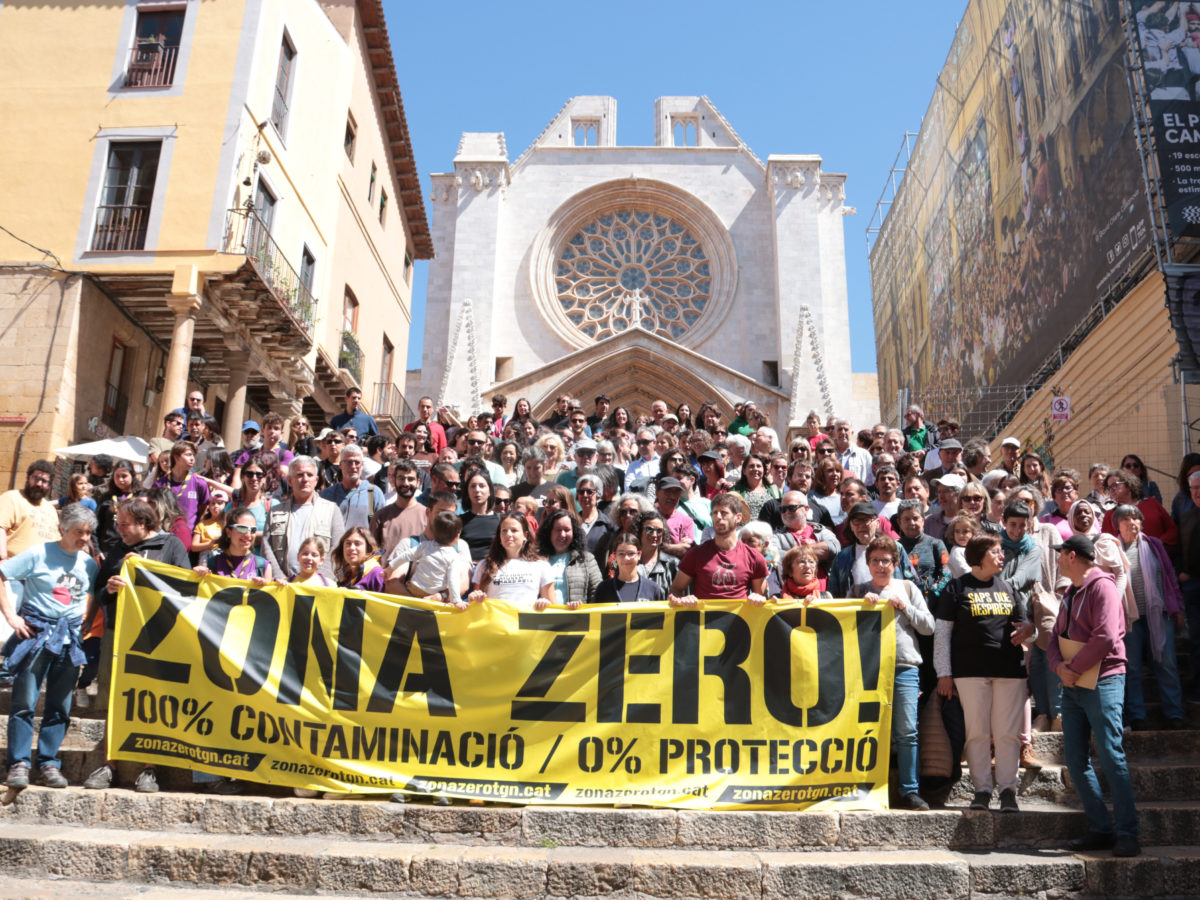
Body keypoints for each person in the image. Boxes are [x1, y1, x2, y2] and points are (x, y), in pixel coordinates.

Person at [82, 497, 190, 792]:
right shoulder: (117, 549)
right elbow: (100, 592)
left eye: (125, 525)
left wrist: (146, 572)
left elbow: (184, 588)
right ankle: (109, 765)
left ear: (144, 523)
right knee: (114, 700)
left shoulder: (170, 546)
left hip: (155, 639)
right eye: (117, 524)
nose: (119, 531)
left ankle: (149, 769)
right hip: (117, 634)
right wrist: (111, 587)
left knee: (151, 701)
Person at [1050, 535, 1140, 857]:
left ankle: (1128, 832)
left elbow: (1107, 635)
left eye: (1060, 554)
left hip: (1103, 679)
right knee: (1075, 760)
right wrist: (1060, 668)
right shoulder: (1069, 593)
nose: (1058, 559)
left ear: (1072, 556)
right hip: (1074, 683)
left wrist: (1073, 667)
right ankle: (1101, 828)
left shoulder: (1103, 587)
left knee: (1112, 756)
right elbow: (1053, 638)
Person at [935, 533, 1036, 813]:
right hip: (970, 672)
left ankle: (1007, 791)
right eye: (996, 551)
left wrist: (1030, 629)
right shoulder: (956, 588)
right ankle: (981, 790)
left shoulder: (1008, 587)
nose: (1002, 556)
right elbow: (943, 633)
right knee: (977, 733)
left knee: (1007, 734)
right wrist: (944, 672)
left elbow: (1025, 625)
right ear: (979, 556)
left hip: (1009, 671)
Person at [2, 505, 98, 789]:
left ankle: (48, 763)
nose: (84, 538)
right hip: (36, 637)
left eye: (88, 532)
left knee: (60, 707)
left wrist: (88, 622)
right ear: (63, 529)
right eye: (79, 532)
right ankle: (18, 763)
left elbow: (92, 594)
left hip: (70, 642)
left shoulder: (89, 563)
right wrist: (11, 617)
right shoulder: (38, 553)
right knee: (23, 704)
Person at [856, 535, 935, 811]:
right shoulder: (857, 591)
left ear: (895, 563)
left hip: (904, 668)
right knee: (866, 731)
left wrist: (906, 607)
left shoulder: (908, 587)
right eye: (875, 560)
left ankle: (910, 790)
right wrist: (860, 608)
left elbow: (929, 627)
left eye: (886, 561)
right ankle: (864, 787)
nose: (880, 566)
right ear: (868, 564)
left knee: (907, 732)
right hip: (867, 672)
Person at [1112, 504, 1186, 731]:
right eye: (1126, 519)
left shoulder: (1154, 545)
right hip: (1129, 618)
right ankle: (1137, 715)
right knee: (1132, 667)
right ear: (1118, 524)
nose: (1132, 522)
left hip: (1159, 613)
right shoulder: (1113, 548)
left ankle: (1174, 713)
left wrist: (1178, 608)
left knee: (1167, 663)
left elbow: (1170, 577)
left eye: (1136, 518)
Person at [669, 493, 768, 606]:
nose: (718, 517)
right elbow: (675, 590)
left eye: (724, 513)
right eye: (715, 513)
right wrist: (683, 600)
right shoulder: (696, 554)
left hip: (739, 622)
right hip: (703, 622)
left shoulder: (754, 557)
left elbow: (762, 598)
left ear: (738, 517)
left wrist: (758, 598)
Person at [262, 456, 346, 582]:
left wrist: (319, 579)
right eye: (299, 475)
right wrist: (279, 577)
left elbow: (338, 547)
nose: (305, 479)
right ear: (289, 480)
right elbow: (266, 546)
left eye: (309, 474)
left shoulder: (332, 510)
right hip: (283, 585)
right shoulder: (275, 512)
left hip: (319, 586)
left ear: (316, 480)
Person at [829, 502, 918, 597]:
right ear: (851, 526)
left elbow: (912, 583)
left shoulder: (894, 548)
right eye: (856, 521)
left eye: (866, 520)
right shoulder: (843, 557)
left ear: (877, 523)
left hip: (891, 608)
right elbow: (833, 592)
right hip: (855, 610)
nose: (861, 525)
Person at [468, 513, 555, 610]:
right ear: (499, 536)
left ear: (525, 535)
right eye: (504, 531)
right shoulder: (484, 565)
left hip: (525, 624)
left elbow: (553, 607)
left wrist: (544, 604)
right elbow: (475, 606)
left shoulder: (541, 566)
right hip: (495, 623)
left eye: (514, 530)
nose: (508, 534)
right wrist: (474, 598)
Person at [388, 510, 468, 604]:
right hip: (434, 594)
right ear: (457, 536)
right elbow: (453, 580)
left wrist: (390, 567)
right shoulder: (454, 556)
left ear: (434, 531)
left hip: (415, 589)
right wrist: (456, 600)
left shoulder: (424, 546)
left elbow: (406, 555)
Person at [0, 460, 64, 563]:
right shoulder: (11, 498)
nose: (39, 484)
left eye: (44, 481)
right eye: (35, 478)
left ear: (49, 485)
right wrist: (2, 558)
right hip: (12, 570)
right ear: (28, 478)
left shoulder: (50, 509)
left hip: (41, 572)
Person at [538, 509, 602, 607]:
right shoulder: (536, 560)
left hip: (577, 620)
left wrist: (582, 607)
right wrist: (538, 601)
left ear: (574, 532)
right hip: (544, 620)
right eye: (558, 529)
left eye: (567, 530)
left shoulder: (587, 559)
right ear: (549, 532)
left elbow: (598, 592)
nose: (562, 534)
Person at [194, 507, 271, 581]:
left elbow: (270, 593)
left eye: (253, 530)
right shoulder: (212, 564)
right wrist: (196, 576)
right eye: (242, 528)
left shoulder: (263, 566)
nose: (248, 535)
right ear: (228, 532)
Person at [321, 443, 385, 530]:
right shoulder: (328, 495)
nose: (353, 466)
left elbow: (381, 527)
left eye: (357, 462)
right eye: (349, 462)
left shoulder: (374, 493)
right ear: (340, 465)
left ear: (362, 466)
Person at [594, 532, 664, 604]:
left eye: (631, 553)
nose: (626, 558)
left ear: (639, 555)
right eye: (621, 554)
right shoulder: (604, 589)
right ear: (615, 556)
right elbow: (594, 613)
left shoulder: (652, 589)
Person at [459, 470, 500, 562]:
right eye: (473, 486)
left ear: (489, 491)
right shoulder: (459, 521)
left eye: (482, 486)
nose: (477, 490)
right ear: (467, 492)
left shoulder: (501, 521)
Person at [333, 527, 385, 591]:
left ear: (368, 548)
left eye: (357, 543)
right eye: (348, 543)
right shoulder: (346, 576)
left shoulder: (377, 574)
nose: (351, 548)